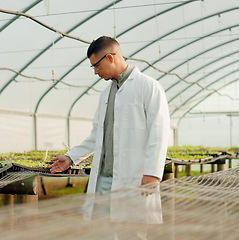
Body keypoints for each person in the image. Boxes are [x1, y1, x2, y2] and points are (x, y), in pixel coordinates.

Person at [49, 36, 170, 226]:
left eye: (97, 66)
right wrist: (71, 157)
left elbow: (159, 134)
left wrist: (153, 173)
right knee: (102, 232)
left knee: (132, 233)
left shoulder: (148, 87)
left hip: (134, 178)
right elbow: (98, 135)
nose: (96, 72)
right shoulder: (106, 94)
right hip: (103, 181)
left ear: (110, 58)